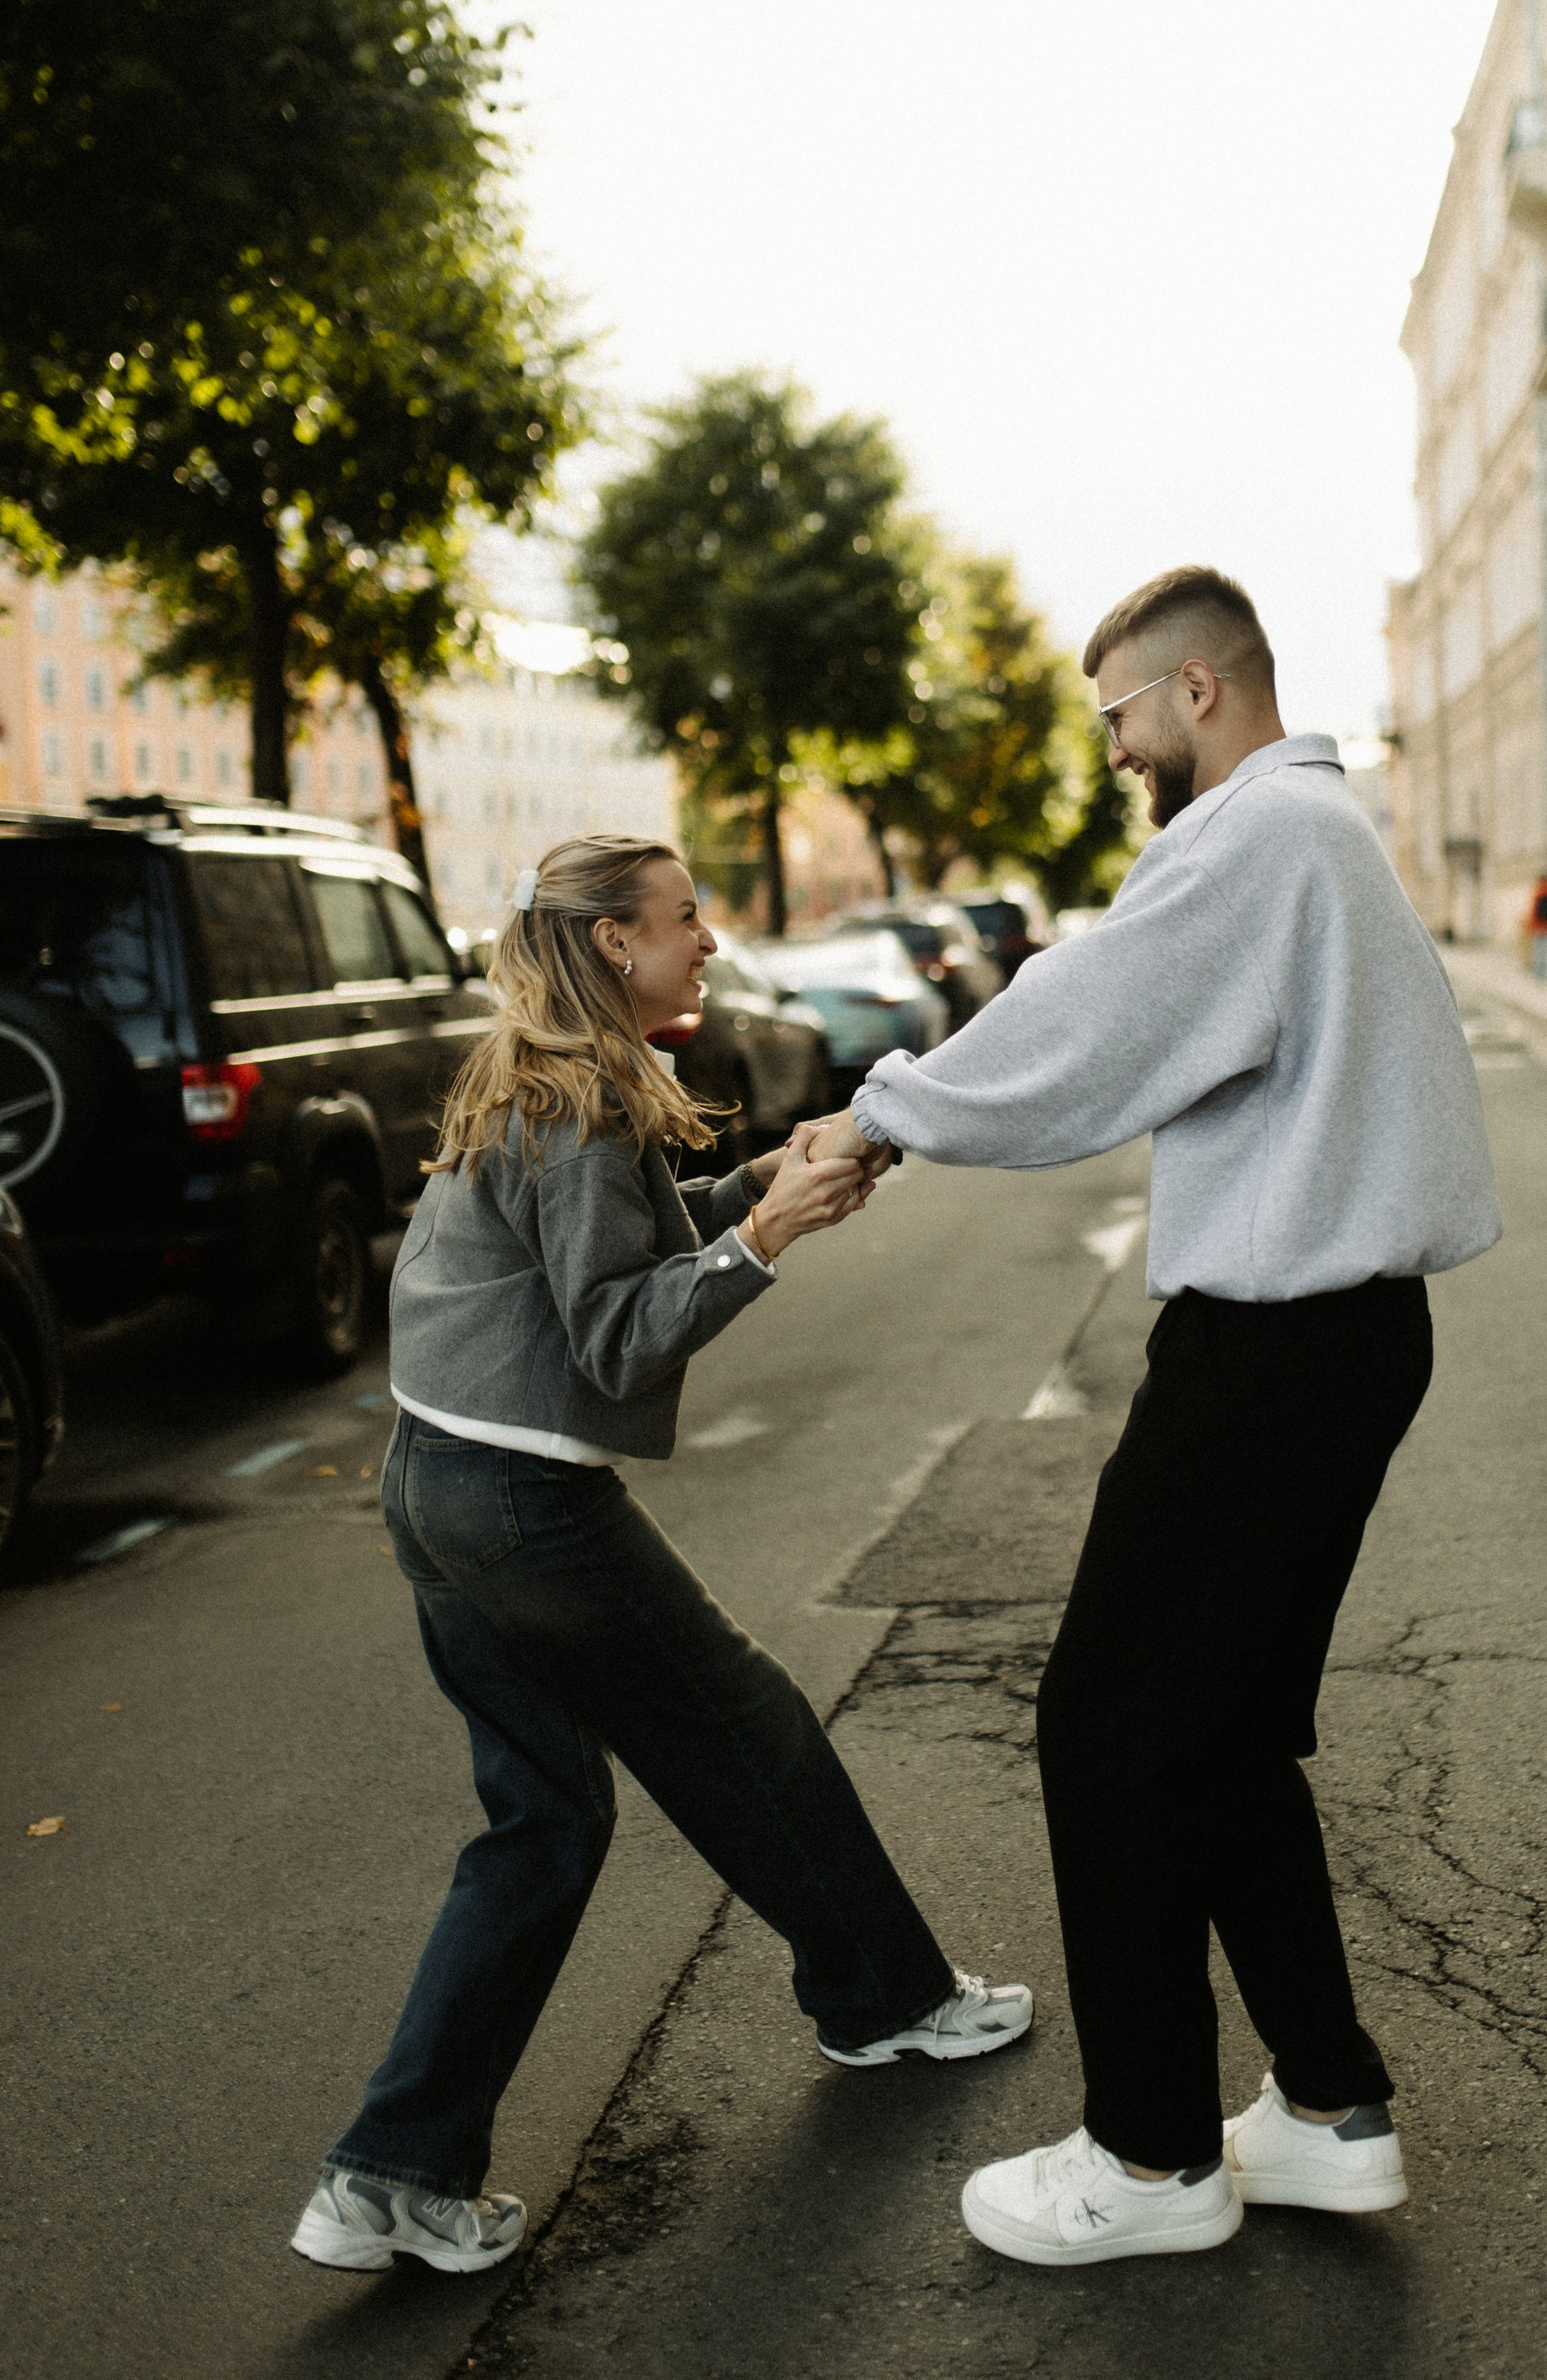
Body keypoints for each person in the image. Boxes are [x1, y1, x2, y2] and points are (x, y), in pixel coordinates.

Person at [811, 566, 1500, 2268]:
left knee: (1109, 1731)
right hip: (1343, 1338)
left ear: (1196, 690)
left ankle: (1148, 2157)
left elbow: (1090, 1019)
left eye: (1118, 713)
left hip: (1268, 1349)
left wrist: (881, 1111)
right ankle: (1328, 2109)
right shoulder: (1317, 835)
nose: (1113, 749)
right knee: (1217, 1737)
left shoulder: (1252, 838)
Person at [291, 835, 1032, 2278]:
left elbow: (614, 1257)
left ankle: (389, 2171)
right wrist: (762, 1238)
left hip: (431, 1484)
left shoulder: (542, 1073)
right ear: (616, 944)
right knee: (744, 1728)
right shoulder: (574, 1105)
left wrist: (758, 1184)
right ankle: (885, 1996)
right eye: (686, 919)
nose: (708, 939)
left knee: (545, 1824)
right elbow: (615, 1330)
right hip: (518, 1507)